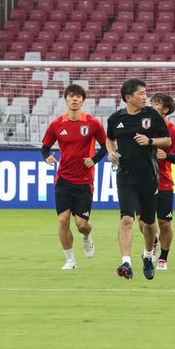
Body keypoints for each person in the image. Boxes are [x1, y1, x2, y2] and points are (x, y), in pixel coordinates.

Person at [106, 79, 171, 280]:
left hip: (149, 177)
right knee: (126, 218)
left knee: (149, 224)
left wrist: (150, 141)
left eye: (145, 93)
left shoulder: (151, 115)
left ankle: (148, 255)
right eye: (141, 93)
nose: (145, 96)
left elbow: (167, 140)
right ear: (128, 97)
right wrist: (110, 152)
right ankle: (126, 262)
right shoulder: (115, 118)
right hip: (125, 176)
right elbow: (109, 138)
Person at [41, 84, 107, 270]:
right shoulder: (56, 125)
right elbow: (45, 147)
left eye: (78, 96)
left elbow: (105, 146)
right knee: (63, 219)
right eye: (71, 96)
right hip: (63, 179)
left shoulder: (93, 123)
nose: (75, 99)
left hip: (84, 181)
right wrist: (48, 157)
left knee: (81, 224)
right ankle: (70, 260)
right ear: (66, 99)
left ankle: (87, 236)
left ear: (83, 101)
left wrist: (93, 160)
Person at [137, 93, 175, 271]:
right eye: (151, 103)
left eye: (156, 104)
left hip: (163, 182)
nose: (151, 106)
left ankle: (163, 258)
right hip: (142, 182)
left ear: (165, 110)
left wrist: (167, 156)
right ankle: (154, 240)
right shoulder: (142, 125)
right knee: (142, 223)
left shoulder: (173, 131)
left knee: (164, 223)